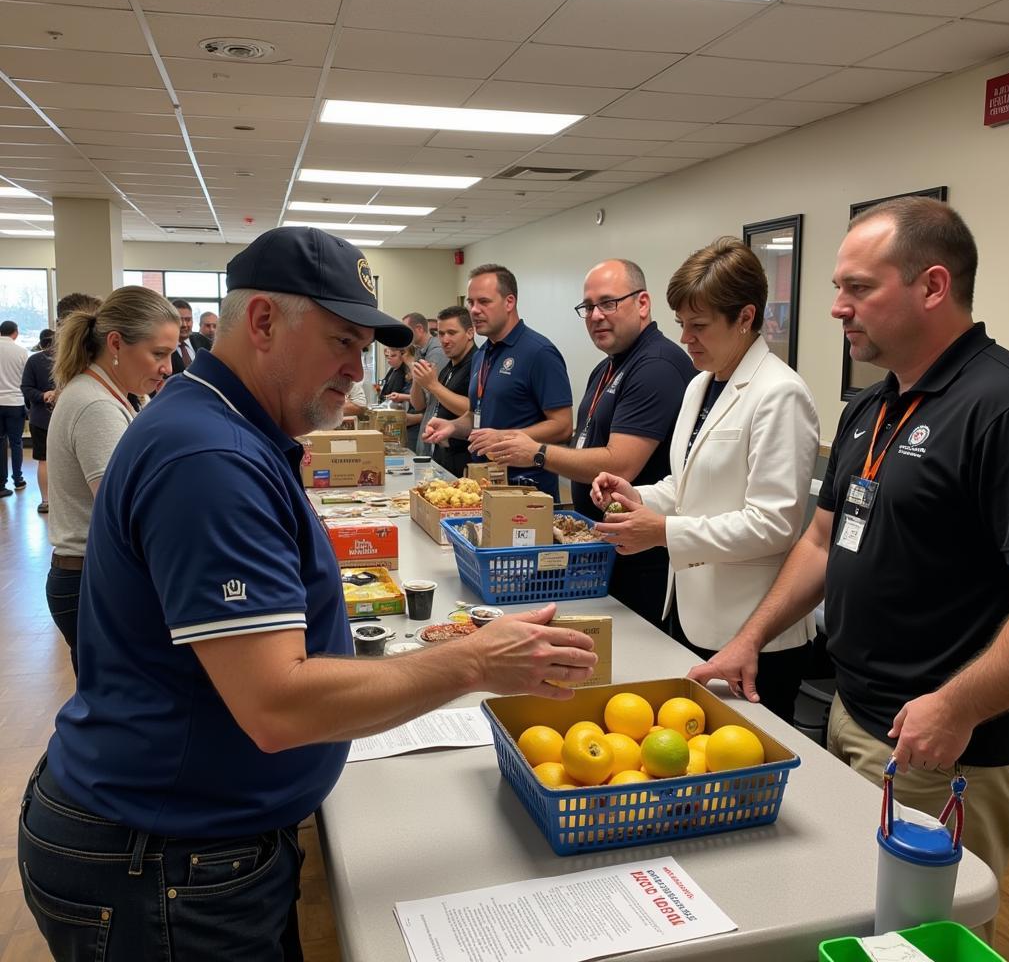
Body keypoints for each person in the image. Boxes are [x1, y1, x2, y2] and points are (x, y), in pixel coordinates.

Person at [19, 226, 596, 962]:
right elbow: (276, 705)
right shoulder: (209, 459)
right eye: (341, 342)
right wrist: (475, 663)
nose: (356, 372)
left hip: (187, 838)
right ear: (263, 323)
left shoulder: (222, 427)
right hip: (163, 858)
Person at [688, 199, 1009, 931]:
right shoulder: (872, 407)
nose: (837, 307)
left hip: (941, 740)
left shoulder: (1004, 406)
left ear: (933, 287)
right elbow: (819, 540)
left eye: (859, 288)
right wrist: (750, 637)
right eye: (838, 287)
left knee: (922, 935)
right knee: (848, 919)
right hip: (852, 712)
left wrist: (957, 706)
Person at [594, 239, 819, 724]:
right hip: (690, 608)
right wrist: (638, 495)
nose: (686, 339)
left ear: (745, 317)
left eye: (699, 326)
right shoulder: (702, 382)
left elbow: (773, 524)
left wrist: (663, 533)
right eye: (681, 325)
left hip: (750, 631)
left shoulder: (780, 394)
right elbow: (689, 484)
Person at [487, 260, 697, 626]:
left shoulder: (657, 365)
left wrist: (537, 453)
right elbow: (587, 443)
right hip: (605, 545)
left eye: (609, 303)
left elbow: (620, 464)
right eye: (588, 307)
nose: (596, 315)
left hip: (643, 558)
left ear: (643, 303)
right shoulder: (610, 366)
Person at [45, 287, 180, 674]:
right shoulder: (96, 405)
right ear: (116, 343)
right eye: (158, 354)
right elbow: (122, 508)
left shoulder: (115, 395)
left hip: (95, 575)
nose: (167, 368)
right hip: (91, 579)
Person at [423, 264, 573, 498]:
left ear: (509, 302)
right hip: (485, 483)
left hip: (526, 488)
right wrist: (452, 427)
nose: (474, 310)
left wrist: (503, 436)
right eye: (470, 303)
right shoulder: (483, 354)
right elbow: (476, 416)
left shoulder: (539, 352)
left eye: (484, 302)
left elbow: (562, 426)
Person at [410, 305, 477, 477]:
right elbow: (419, 405)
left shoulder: (478, 364)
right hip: (441, 454)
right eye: (440, 334)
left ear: (470, 333)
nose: (445, 340)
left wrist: (433, 385)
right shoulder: (449, 367)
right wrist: (418, 379)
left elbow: (473, 409)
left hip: (465, 459)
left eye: (452, 333)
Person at [398, 312, 447, 453]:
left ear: (419, 329)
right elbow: (417, 403)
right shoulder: (420, 352)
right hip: (428, 421)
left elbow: (429, 398)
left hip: (437, 424)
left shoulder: (437, 352)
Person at [21, 328, 56, 513]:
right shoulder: (70, 360)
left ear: (41, 343)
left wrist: (42, 396)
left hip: (40, 417)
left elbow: (26, 388)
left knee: (43, 460)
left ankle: (46, 501)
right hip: (61, 418)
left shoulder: (33, 360)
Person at [0, 320, 29, 498]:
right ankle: (17, 479)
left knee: (0, 442)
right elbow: (25, 379)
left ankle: (1, 483)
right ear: (15, 333)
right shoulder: (21, 352)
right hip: (15, 402)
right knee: (16, 442)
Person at [170, 298, 212, 373]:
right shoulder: (164, 348)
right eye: (179, 320)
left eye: (188, 319)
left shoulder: (204, 342)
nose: (184, 325)